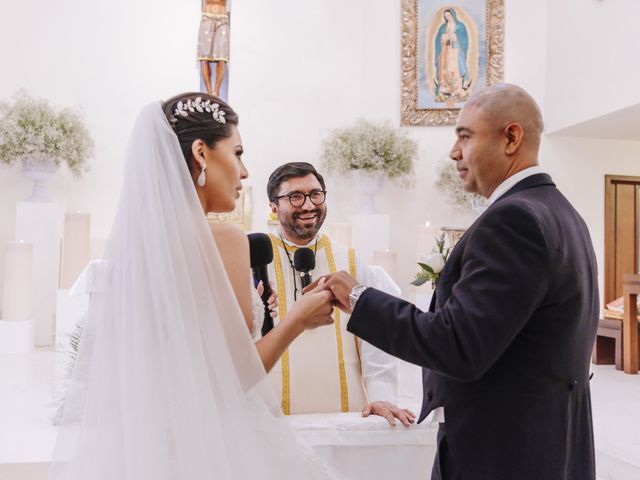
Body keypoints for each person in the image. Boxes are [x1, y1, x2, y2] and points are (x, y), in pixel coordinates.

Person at [49, 93, 345, 480]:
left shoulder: (141, 248)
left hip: (159, 445)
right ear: (202, 154)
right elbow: (236, 376)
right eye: (237, 153)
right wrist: (297, 320)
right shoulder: (223, 240)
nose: (244, 171)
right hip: (218, 445)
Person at [316, 84, 599, 480]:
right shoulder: (562, 213)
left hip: (503, 452)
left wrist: (359, 297)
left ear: (511, 138)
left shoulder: (512, 220)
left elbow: (459, 346)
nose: (453, 152)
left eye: (465, 136)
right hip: (548, 440)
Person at [265, 162, 415, 426]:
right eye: (295, 197)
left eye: (315, 194)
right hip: (274, 417)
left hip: (343, 415)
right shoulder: (257, 260)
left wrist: (381, 395)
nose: (309, 205)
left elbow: (375, 338)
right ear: (274, 207)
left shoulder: (349, 260)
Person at [434, 8, 471, 103]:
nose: (447, 18)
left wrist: (455, 38)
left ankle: (457, 88)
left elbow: (464, 40)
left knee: (454, 68)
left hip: (455, 51)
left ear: (453, 15)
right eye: (445, 16)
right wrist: (444, 38)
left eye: (449, 15)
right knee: (446, 68)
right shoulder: (443, 27)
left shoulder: (460, 26)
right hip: (446, 51)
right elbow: (438, 40)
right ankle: (446, 88)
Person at [197, 0, 229, 97]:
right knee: (204, 58)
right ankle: (209, 91)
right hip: (207, 18)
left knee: (222, 58)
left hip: (222, 20)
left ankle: (216, 91)